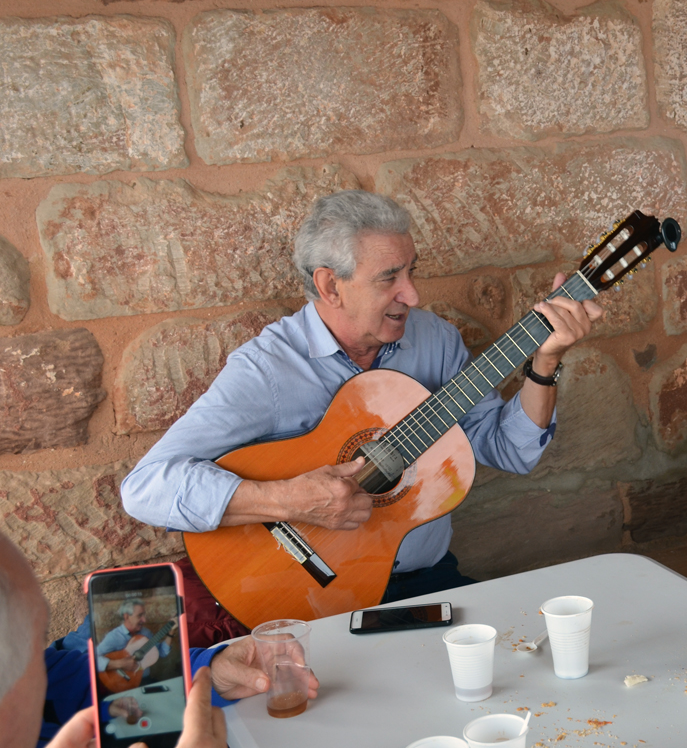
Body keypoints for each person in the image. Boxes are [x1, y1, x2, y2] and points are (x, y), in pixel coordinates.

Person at [121, 190, 601, 613]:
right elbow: (145, 488)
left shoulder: (435, 340)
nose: (412, 295)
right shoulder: (268, 369)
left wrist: (545, 362)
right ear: (330, 286)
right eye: (389, 278)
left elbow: (510, 450)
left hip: (425, 585)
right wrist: (291, 501)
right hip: (311, 598)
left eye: (412, 271)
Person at [0, 531, 317, 748]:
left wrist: (214, 668)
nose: (41, 655)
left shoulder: (47, 672)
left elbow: (91, 682)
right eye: (38, 638)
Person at [93, 600, 173, 674]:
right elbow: (93, 660)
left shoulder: (146, 633)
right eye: (140, 615)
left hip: (146, 680)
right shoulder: (114, 637)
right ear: (126, 616)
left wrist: (170, 633)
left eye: (144, 615)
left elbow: (161, 652)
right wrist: (120, 664)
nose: (144, 620)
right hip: (122, 682)